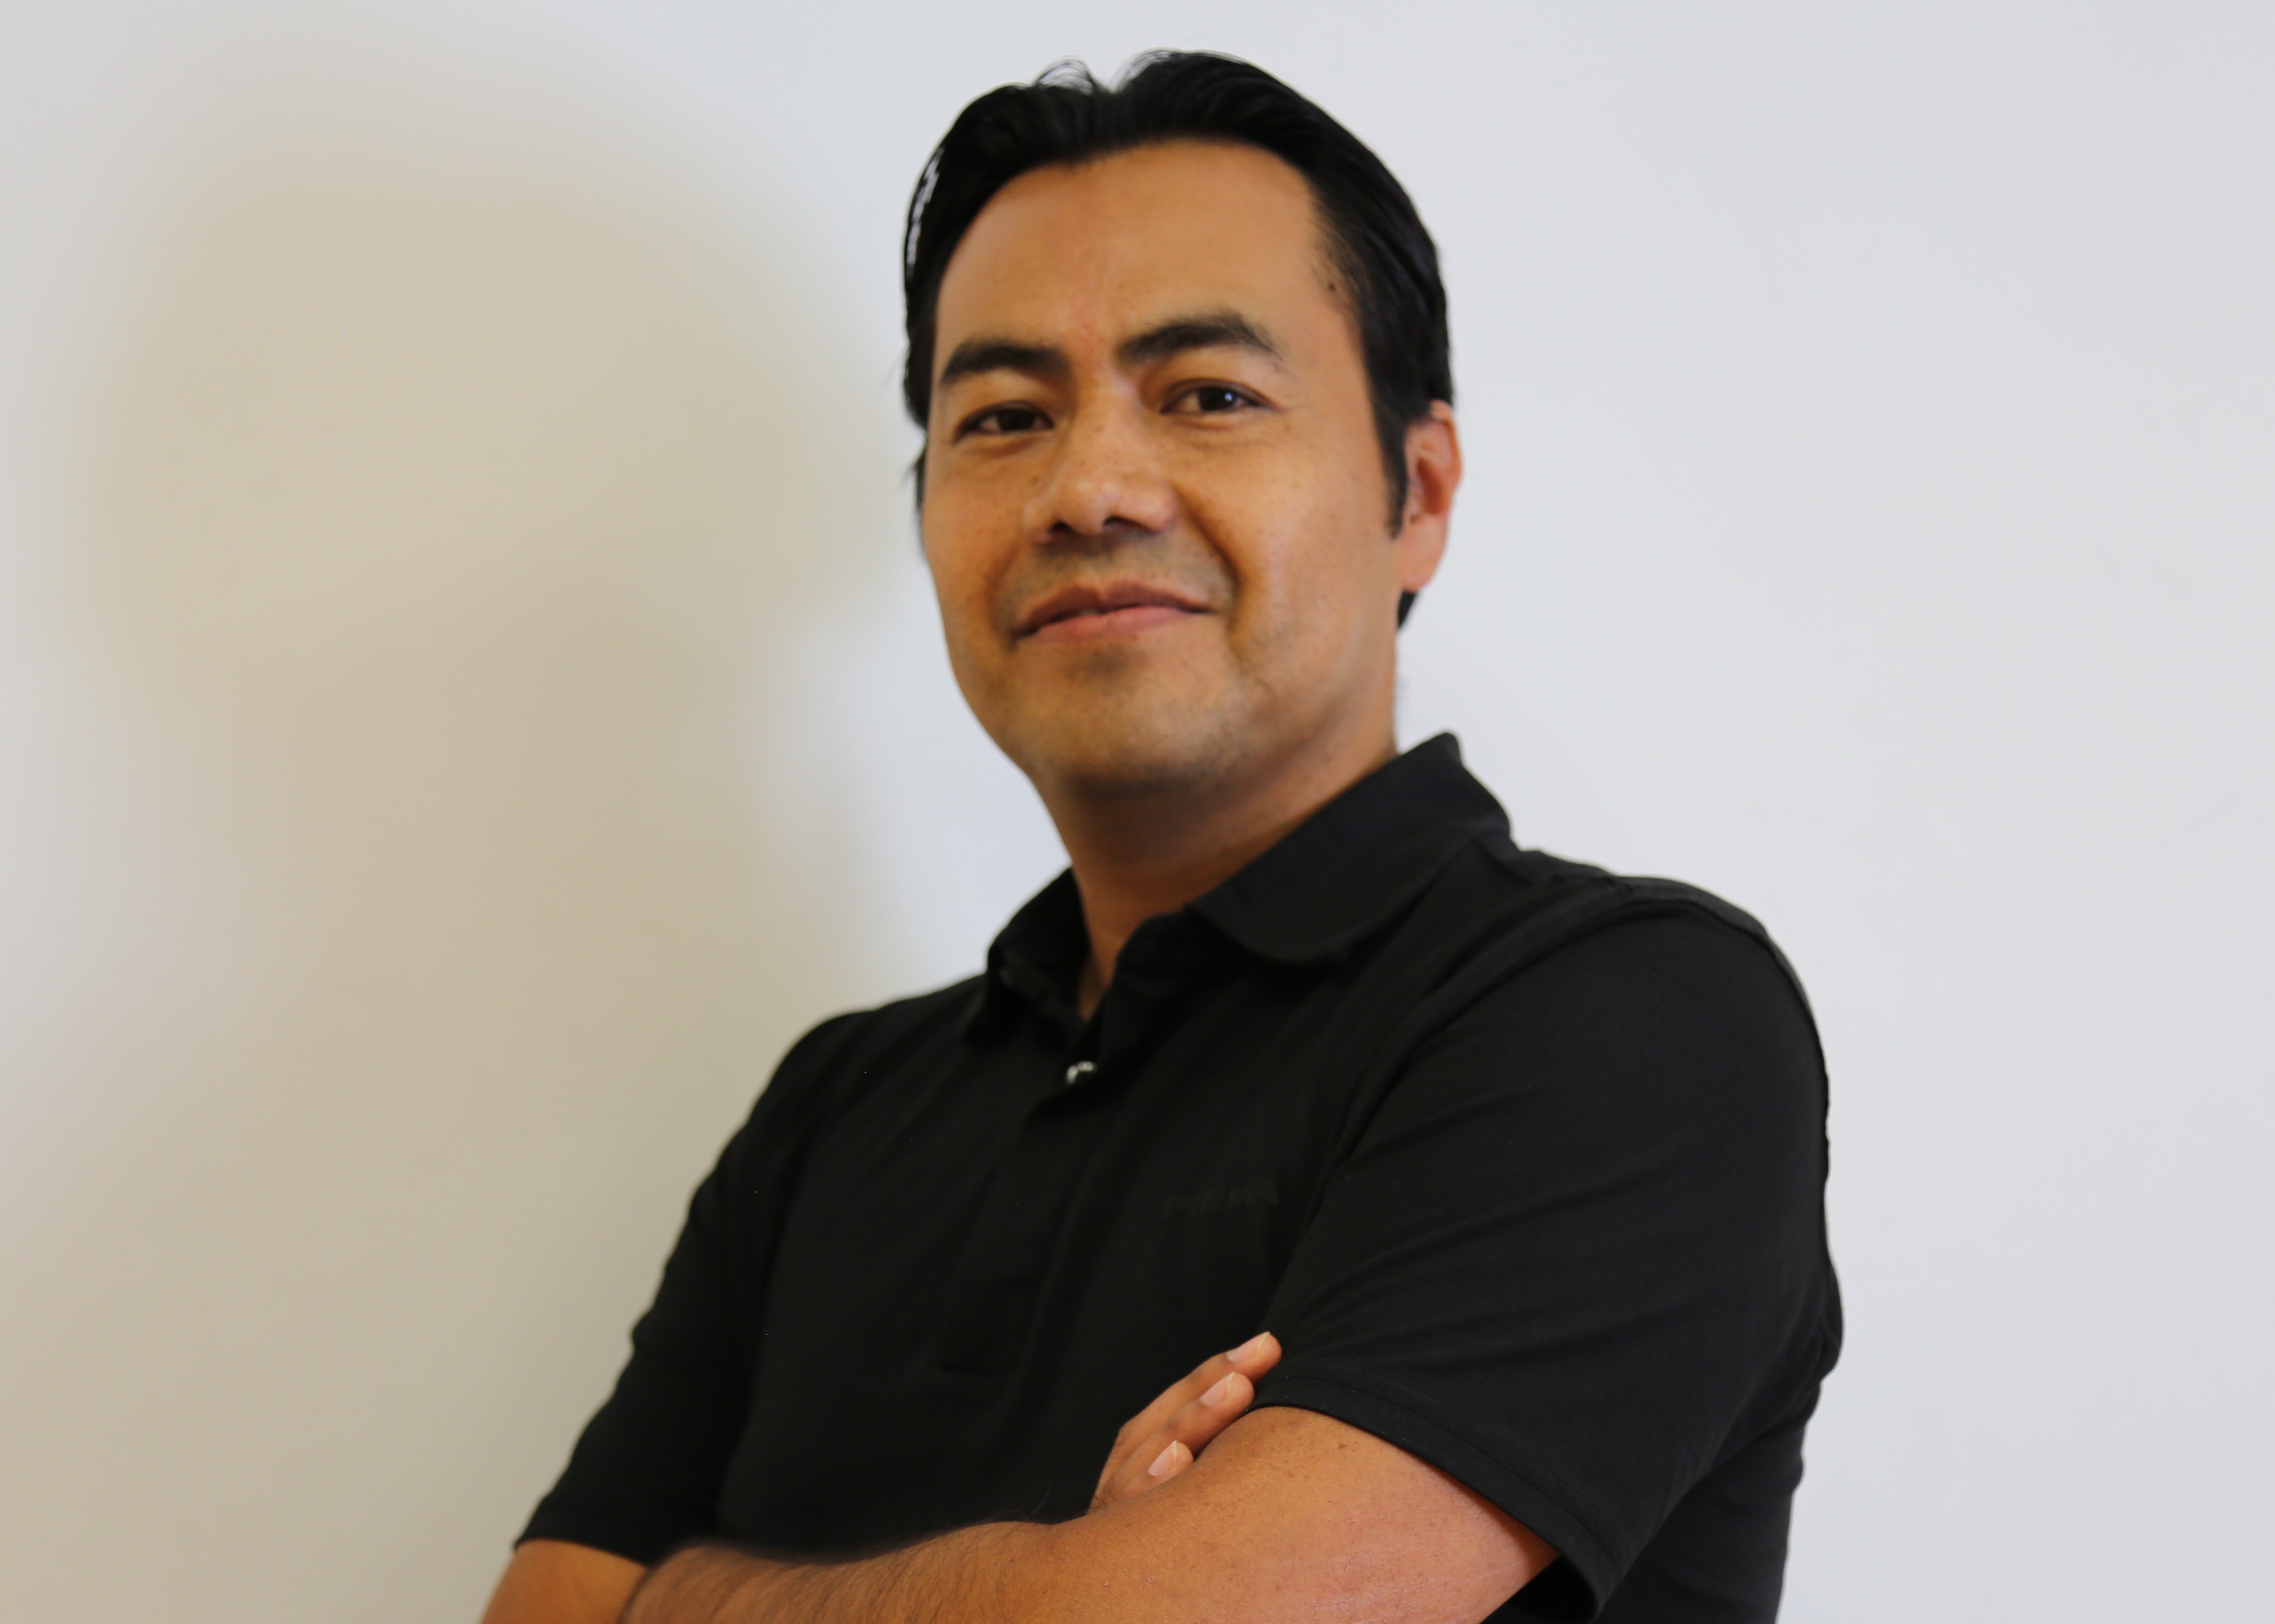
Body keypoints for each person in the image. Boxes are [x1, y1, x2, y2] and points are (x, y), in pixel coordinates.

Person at [480, 51, 1838, 1624]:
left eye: (1209, 396)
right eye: (1004, 417)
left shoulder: (1629, 1015)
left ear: (1417, 492)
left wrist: (681, 1599)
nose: (1091, 489)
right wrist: (1064, 1579)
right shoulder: (834, 1109)